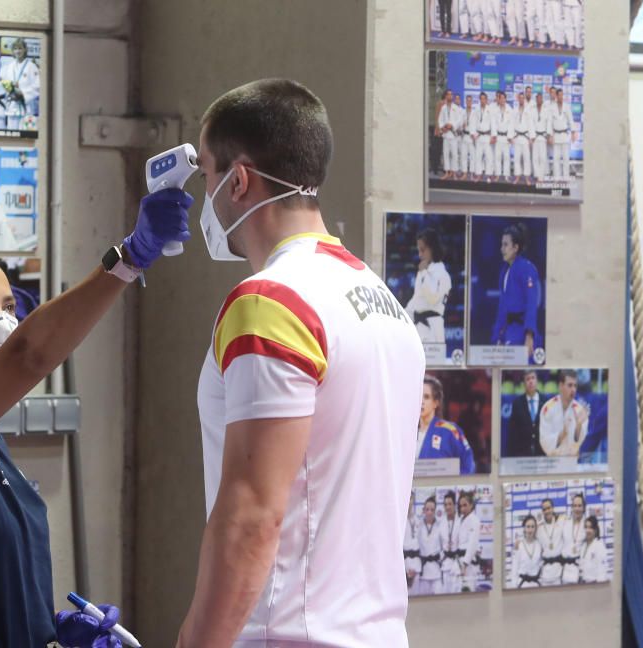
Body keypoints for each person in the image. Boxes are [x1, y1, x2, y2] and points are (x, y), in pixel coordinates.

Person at [0, 145, 190, 642]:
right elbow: (27, 356)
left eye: (7, 305)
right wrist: (128, 259)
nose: (1, 322)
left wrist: (47, 630)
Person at [172, 79, 423, 646]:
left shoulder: (269, 303)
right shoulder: (383, 303)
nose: (201, 196)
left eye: (206, 175)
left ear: (237, 181)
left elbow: (252, 520)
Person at [490, 222, 541, 359]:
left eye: (506, 245)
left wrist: (529, 335)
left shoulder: (526, 268)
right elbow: (502, 308)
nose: (502, 249)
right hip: (508, 331)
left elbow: (531, 303)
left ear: (515, 247)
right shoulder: (504, 271)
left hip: (522, 332)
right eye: (502, 244)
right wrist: (496, 338)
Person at [417, 375, 476, 473]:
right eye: (419, 396)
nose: (421, 402)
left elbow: (468, 463)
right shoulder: (407, 432)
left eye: (426, 397)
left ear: (436, 402)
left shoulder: (450, 430)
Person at [405, 227, 451, 345]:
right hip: (419, 327)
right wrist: (403, 317)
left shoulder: (443, 275)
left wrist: (424, 272)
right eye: (418, 250)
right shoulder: (423, 272)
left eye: (423, 250)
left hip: (433, 329)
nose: (419, 254)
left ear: (433, 248)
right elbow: (416, 300)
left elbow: (432, 299)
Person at [539, 369, 589, 458]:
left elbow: (579, 444)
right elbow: (544, 441)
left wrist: (578, 426)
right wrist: (561, 435)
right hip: (552, 462)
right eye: (570, 385)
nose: (573, 389)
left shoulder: (579, 410)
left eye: (575, 386)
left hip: (571, 462)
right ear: (560, 386)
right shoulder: (548, 408)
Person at [0, 37, 40, 130]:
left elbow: (38, 87)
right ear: (13, 51)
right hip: (12, 109)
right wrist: (10, 92)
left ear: (25, 49)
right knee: (12, 139)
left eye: (20, 48)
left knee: (28, 139)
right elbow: (5, 86)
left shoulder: (32, 67)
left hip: (27, 109)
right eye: (15, 48)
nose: (18, 51)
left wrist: (23, 93)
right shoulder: (9, 67)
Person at [507, 369, 543, 457]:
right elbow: (513, 432)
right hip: (523, 455)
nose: (531, 381)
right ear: (524, 384)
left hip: (542, 454)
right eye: (527, 379)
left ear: (537, 381)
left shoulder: (545, 401)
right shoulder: (517, 403)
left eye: (533, 378)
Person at [416, 496, 443, 596]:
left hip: (437, 571)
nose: (429, 512)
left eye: (432, 510)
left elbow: (444, 547)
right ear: (423, 510)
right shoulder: (418, 526)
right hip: (423, 572)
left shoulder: (440, 526)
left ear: (435, 511)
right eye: (427, 509)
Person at [457, 490, 482, 591]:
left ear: (471, 505)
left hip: (469, 563)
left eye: (465, 505)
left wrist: (465, 564)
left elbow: (472, 544)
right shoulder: (461, 519)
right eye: (460, 506)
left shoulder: (474, 521)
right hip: (459, 560)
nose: (462, 508)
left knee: (469, 591)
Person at [439, 490, 464, 593]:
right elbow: (439, 544)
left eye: (450, 504)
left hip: (457, 563)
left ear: (454, 505)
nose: (447, 507)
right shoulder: (441, 523)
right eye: (445, 505)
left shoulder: (461, 521)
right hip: (445, 564)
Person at [509, 514, 543, 588]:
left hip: (536, 584)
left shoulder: (539, 545)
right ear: (524, 528)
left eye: (532, 527)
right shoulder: (519, 545)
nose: (530, 530)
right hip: (522, 584)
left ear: (535, 528)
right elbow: (515, 567)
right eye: (528, 527)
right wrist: (514, 586)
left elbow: (540, 565)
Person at [561, 492, 587, 584]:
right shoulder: (564, 522)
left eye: (579, 506)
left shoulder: (587, 525)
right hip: (566, 569)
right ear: (571, 507)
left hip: (581, 569)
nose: (577, 508)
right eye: (575, 505)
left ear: (584, 508)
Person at [548, 88, 573, 182]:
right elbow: (550, 122)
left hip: (565, 135)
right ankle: (556, 177)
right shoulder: (552, 107)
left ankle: (566, 177)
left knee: (566, 158)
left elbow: (571, 120)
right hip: (556, 135)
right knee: (556, 158)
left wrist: (574, 132)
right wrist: (550, 135)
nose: (561, 97)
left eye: (563, 95)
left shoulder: (567, 106)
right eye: (560, 95)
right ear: (556, 96)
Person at [538, 498, 564, 585]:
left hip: (559, 571)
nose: (547, 511)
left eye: (549, 508)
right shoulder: (539, 528)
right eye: (544, 509)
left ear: (553, 508)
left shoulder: (561, 523)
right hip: (545, 573)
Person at [437, 89, 459, 180]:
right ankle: (447, 172)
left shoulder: (456, 108)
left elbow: (459, 121)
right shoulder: (443, 108)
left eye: (451, 94)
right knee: (446, 154)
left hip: (453, 134)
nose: (450, 96)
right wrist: (443, 127)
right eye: (448, 95)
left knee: (454, 154)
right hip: (446, 135)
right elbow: (440, 120)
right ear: (446, 96)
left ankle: (454, 173)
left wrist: (452, 125)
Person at [579, 515, 608, 584]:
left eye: (590, 528)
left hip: (594, 584)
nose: (587, 530)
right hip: (583, 583)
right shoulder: (583, 545)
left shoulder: (599, 546)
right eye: (586, 527)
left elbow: (602, 571)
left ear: (595, 530)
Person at [491, 90, 513, 182]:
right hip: (498, 137)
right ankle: (497, 175)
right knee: (498, 157)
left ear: (506, 99)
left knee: (507, 157)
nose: (502, 100)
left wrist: (510, 136)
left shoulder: (509, 109)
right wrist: (494, 135)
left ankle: (507, 175)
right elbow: (493, 124)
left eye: (504, 98)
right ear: (498, 99)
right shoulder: (495, 110)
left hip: (506, 137)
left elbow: (512, 124)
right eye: (501, 98)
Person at [512, 91, 533, 184]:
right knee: (516, 158)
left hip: (525, 137)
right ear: (518, 99)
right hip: (517, 137)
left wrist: (531, 138)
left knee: (526, 158)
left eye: (522, 98)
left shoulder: (528, 111)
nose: (521, 99)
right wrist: (511, 136)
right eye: (519, 98)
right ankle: (517, 176)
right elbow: (511, 125)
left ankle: (527, 177)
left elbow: (531, 125)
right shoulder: (514, 110)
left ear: (524, 99)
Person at [472, 91, 494, 180]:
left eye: (484, 99)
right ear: (479, 100)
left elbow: (493, 124)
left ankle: (488, 174)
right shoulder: (476, 110)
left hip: (487, 136)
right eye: (481, 99)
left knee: (489, 157)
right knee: (478, 156)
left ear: (486, 100)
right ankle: (479, 174)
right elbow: (473, 123)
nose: (483, 100)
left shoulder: (490, 110)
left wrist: (493, 136)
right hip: (479, 136)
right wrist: (473, 134)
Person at [403, 492, 421, 594]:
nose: (409, 502)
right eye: (408, 498)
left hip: (416, 565)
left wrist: (414, 567)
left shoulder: (417, 520)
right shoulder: (399, 519)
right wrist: (407, 568)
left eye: (411, 499)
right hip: (404, 564)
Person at [530, 90, 549, 181]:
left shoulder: (546, 110)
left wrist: (548, 135)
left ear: (542, 100)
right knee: (535, 157)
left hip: (543, 136)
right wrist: (531, 136)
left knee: (542, 157)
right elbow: (531, 124)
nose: (539, 100)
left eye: (540, 98)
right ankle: (537, 175)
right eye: (537, 98)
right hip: (535, 136)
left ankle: (541, 176)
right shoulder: (532, 110)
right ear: (536, 99)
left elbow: (549, 123)